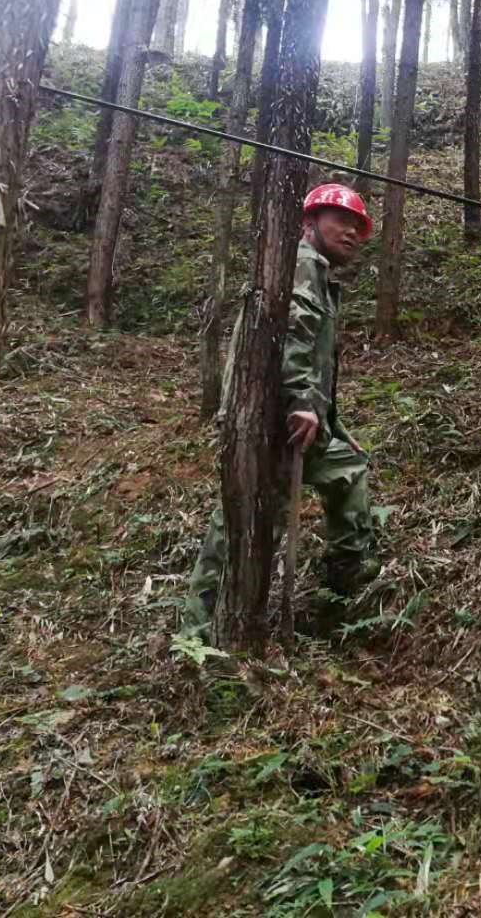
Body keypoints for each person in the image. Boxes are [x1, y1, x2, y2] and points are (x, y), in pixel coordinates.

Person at [183, 183, 381, 640]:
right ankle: (196, 635)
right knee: (243, 522)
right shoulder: (302, 265)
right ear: (309, 222)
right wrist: (303, 404)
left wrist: (332, 422)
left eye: (358, 226)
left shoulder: (320, 274)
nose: (351, 232)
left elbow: (314, 356)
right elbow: (292, 337)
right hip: (271, 420)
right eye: (340, 221)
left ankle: (338, 593)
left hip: (300, 418)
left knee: (347, 469)